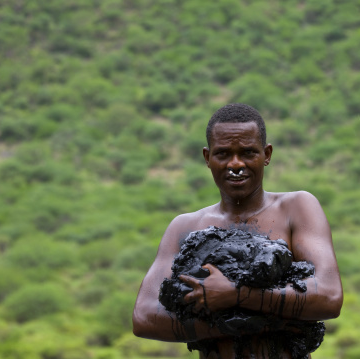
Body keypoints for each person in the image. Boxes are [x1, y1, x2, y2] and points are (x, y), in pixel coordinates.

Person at [132, 103, 343, 358]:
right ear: (207, 158)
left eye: (247, 152)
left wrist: (236, 295)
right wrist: (264, 321)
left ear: (266, 154)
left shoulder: (297, 208)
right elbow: (144, 317)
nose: (235, 164)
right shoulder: (185, 227)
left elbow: (329, 297)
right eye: (223, 154)